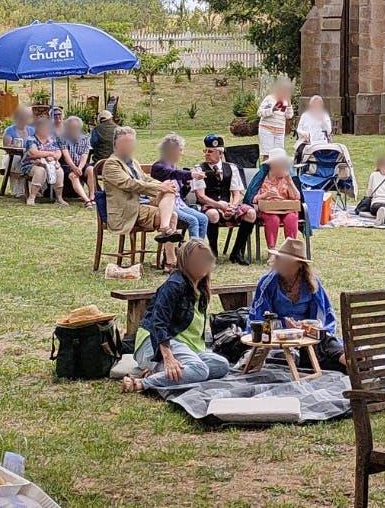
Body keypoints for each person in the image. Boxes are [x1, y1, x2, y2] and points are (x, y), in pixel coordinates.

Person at [121, 240, 231, 393]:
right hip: (156, 344)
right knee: (200, 370)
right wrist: (168, 357)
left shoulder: (201, 287)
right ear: (186, 262)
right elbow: (157, 323)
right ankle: (143, 382)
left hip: (186, 347)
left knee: (221, 365)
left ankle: (162, 372)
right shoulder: (175, 285)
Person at [248, 237, 344, 369]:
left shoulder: (312, 284)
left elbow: (324, 317)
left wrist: (305, 326)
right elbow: (260, 317)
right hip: (279, 336)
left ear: (300, 265)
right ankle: (347, 361)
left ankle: (349, 361)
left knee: (323, 342)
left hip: (306, 336)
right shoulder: (268, 283)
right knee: (322, 356)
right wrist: (283, 325)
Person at [98, 126, 184, 270]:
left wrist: (163, 185)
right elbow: (129, 184)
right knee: (172, 216)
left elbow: (146, 179)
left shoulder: (133, 162)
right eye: (125, 143)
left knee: (170, 192)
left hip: (143, 203)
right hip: (128, 209)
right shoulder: (111, 164)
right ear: (115, 144)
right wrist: (158, 188)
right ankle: (170, 261)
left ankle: (164, 230)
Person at [193, 134, 257, 264]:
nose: (206, 154)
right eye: (205, 151)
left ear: (220, 153)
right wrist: (220, 206)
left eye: (210, 151)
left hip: (228, 204)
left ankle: (236, 253)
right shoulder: (199, 169)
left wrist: (232, 206)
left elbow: (237, 193)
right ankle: (213, 253)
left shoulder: (231, 168)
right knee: (212, 214)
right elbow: (201, 196)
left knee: (250, 213)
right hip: (210, 205)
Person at [151, 133, 214, 252]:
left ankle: (199, 250)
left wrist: (186, 185)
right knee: (193, 220)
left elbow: (181, 193)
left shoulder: (172, 165)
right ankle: (191, 254)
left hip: (179, 203)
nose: (182, 153)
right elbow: (172, 174)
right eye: (179, 150)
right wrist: (191, 175)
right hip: (166, 205)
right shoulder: (159, 167)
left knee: (203, 218)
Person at [255, 149, 303, 247]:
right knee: (273, 219)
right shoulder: (263, 178)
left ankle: (291, 249)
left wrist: (289, 181)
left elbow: (297, 197)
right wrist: (265, 195)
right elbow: (253, 199)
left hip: (286, 208)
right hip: (268, 210)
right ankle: (272, 250)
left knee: (291, 217)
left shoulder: (289, 177)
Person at [22, 114, 66, 206]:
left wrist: (53, 157)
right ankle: (32, 197)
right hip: (32, 164)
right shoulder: (31, 139)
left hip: (50, 164)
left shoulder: (52, 140)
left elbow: (58, 153)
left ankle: (59, 198)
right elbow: (33, 153)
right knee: (40, 171)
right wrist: (49, 154)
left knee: (59, 171)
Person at [59, 115, 93, 201]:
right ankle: (86, 200)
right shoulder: (62, 138)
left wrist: (80, 168)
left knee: (91, 170)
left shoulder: (85, 138)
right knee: (73, 175)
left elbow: (85, 155)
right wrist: (74, 168)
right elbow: (66, 156)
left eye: (76, 127)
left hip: (80, 165)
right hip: (67, 165)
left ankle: (92, 196)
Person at [257, 81, 295, 155]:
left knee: (278, 155)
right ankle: (265, 167)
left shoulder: (285, 101)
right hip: (267, 130)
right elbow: (259, 112)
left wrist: (289, 103)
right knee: (267, 154)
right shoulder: (269, 98)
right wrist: (272, 110)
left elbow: (289, 116)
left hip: (279, 131)